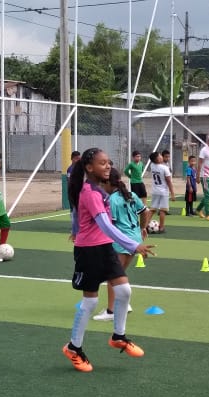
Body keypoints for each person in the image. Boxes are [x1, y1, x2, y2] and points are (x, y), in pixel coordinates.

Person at [64, 148, 155, 372]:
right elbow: (105, 225)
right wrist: (133, 245)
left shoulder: (100, 191)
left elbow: (89, 220)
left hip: (105, 248)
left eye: (108, 162)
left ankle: (118, 336)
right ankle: (73, 348)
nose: (108, 166)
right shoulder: (90, 193)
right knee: (90, 302)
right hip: (88, 252)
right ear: (89, 167)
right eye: (102, 163)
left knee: (124, 291)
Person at [93, 168, 151, 321]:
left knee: (113, 276)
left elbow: (109, 225)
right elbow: (145, 212)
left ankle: (111, 311)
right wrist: (142, 228)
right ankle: (125, 304)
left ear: (108, 183)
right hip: (135, 239)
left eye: (102, 184)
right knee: (120, 273)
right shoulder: (131, 195)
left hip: (121, 241)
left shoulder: (111, 200)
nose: (101, 187)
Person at [147, 151, 174, 233]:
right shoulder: (164, 168)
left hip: (155, 191)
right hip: (163, 192)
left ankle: (144, 226)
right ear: (157, 159)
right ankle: (161, 227)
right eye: (160, 156)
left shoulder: (152, 166)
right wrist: (172, 193)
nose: (161, 157)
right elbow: (169, 181)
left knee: (152, 209)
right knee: (163, 210)